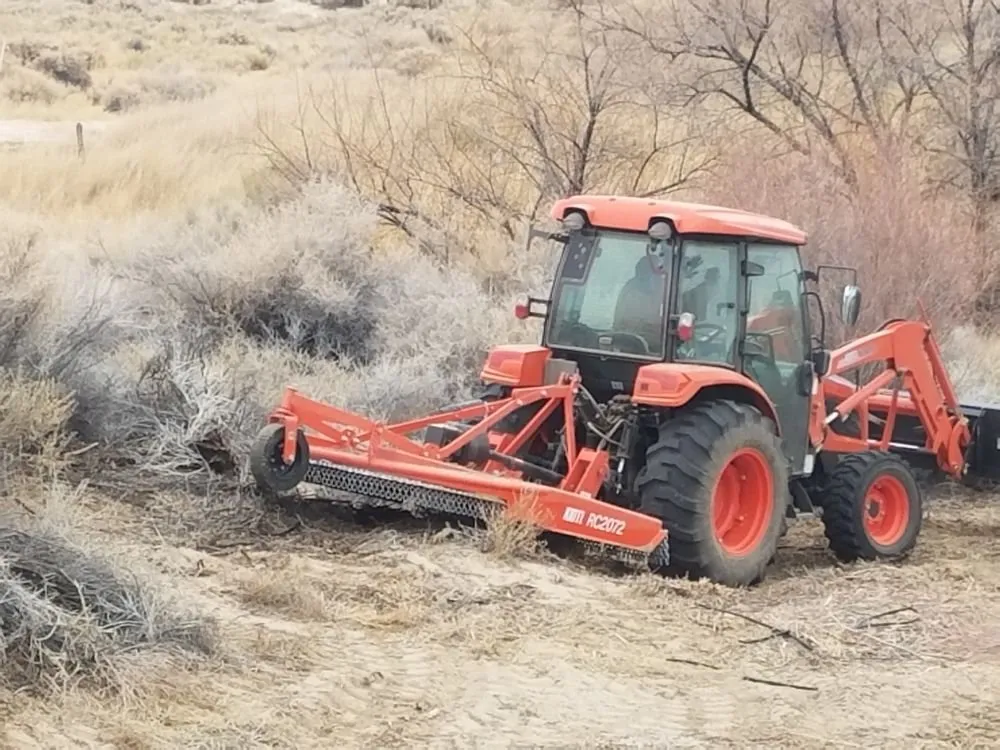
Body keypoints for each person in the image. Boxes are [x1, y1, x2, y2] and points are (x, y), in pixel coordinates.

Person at [613, 257, 666, 351]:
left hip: (659, 346)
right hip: (629, 342)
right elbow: (619, 321)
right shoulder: (630, 289)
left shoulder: (666, 288)